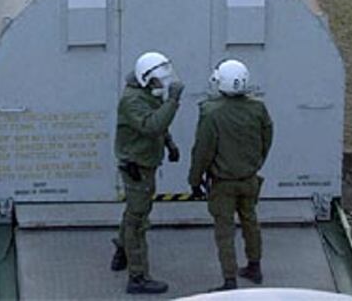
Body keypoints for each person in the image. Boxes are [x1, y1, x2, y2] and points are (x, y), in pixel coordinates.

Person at [188, 60, 273, 291]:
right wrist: (256, 162)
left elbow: (202, 151)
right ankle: (254, 266)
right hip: (250, 178)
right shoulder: (258, 108)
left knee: (224, 231)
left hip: (223, 183)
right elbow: (267, 137)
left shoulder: (211, 112)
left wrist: (195, 181)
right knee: (250, 221)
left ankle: (229, 279)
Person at [112, 51, 184, 295]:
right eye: (157, 80)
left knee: (134, 210)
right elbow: (151, 125)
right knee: (138, 220)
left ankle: (122, 250)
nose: (162, 85)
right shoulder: (132, 101)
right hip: (137, 166)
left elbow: (156, 121)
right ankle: (138, 277)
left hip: (144, 161)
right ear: (145, 79)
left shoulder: (145, 94)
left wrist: (170, 144)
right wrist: (173, 102)